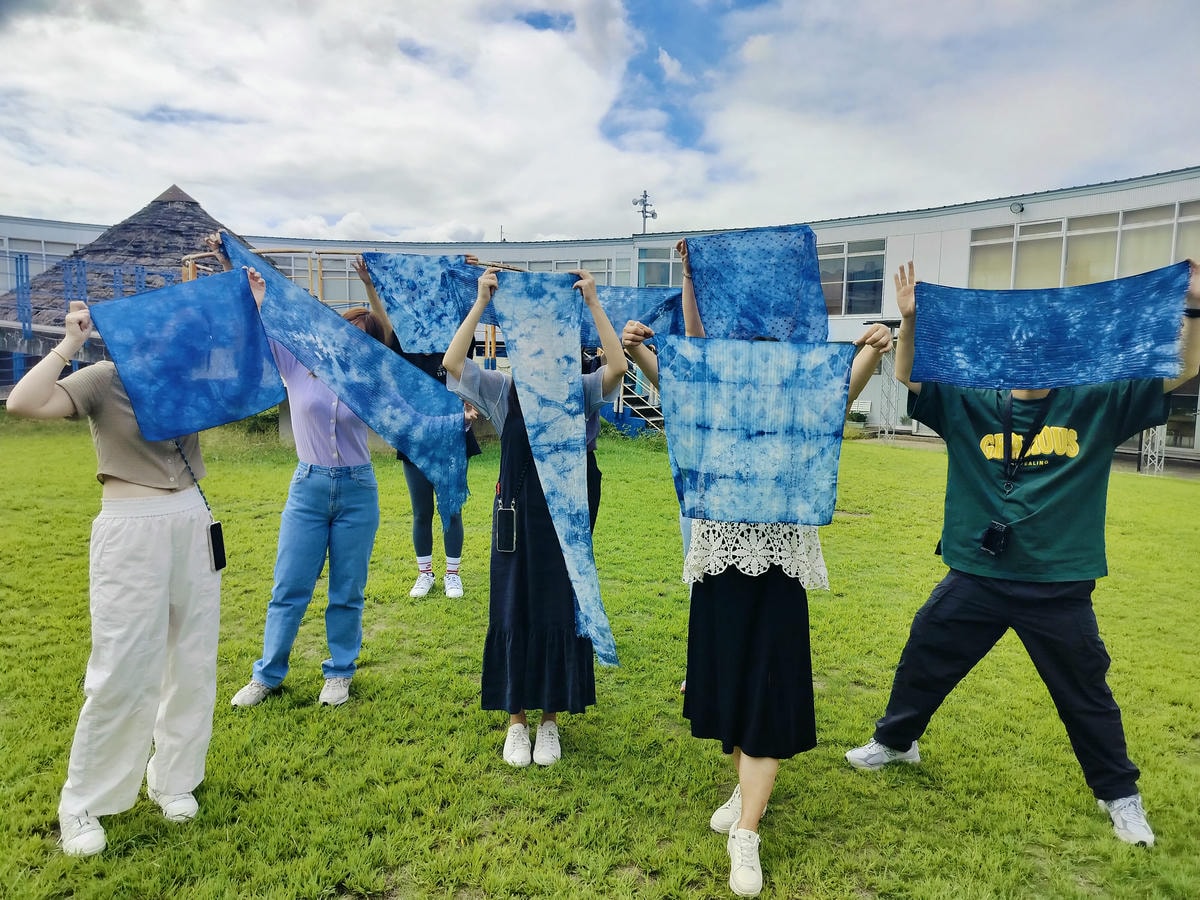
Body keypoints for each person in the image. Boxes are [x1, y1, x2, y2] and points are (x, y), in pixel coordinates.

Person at [844, 260, 1200, 848]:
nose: (1030, 358)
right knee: (926, 652)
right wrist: (909, 320)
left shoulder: (1095, 402)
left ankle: (1121, 797)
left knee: (1085, 693)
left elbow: (1183, 368)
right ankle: (897, 742)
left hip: (1056, 582)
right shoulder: (973, 402)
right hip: (977, 573)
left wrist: (1191, 307)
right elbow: (910, 376)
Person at [622, 238, 892, 897]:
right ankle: (747, 792)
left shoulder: (802, 397)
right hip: (719, 559)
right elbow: (682, 368)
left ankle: (748, 830)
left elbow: (842, 388)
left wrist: (872, 349)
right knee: (732, 686)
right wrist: (644, 338)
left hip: (774, 565)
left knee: (766, 690)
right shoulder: (717, 392)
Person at [8, 301, 222, 857]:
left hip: (192, 519)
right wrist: (70, 343)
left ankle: (173, 778)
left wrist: (254, 308)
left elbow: (250, 371)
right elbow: (23, 403)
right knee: (124, 664)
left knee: (192, 658)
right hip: (131, 527)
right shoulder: (105, 377)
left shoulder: (188, 378)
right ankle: (82, 802)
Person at [442, 267, 627, 767]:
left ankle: (550, 720)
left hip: (566, 518)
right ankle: (517, 721)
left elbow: (617, 367)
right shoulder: (504, 391)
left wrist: (593, 304)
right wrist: (482, 305)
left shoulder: (581, 390)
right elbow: (453, 363)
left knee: (559, 604)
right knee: (513, 604)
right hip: (516, 519)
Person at [230, 267, 388, 709]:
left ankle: (339, 672)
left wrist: (372, 292)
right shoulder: (298, 364)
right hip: (309, 487)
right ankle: (267, 675)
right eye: (346, 330)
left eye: (360, 336)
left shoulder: (370, 379)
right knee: (289, 585)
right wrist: (258, 293)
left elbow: (390, 342)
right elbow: (266, 326)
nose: (349, 340)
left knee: (347, 589)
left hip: (359, 488)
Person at [352, 256, 480, 599]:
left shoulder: (452, 346)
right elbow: (384, 320)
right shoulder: (402, 349)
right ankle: (425, 573)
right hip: (415, 441)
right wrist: (369, 283)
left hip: (452, 437)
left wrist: (467, 278)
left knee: (451, 508)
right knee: (421, 511)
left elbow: (468, 316)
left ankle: (453, 574)